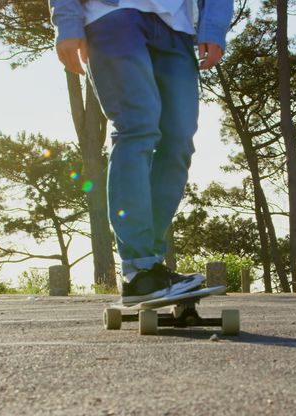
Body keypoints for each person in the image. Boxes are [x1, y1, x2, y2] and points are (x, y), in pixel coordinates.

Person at [50, 0, 234, 304]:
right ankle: (139, 269)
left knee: (178, 141)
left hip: (177, 26)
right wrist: (69, 22)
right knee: (137, 127)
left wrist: (213, 27)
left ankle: (150, 264)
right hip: (112, 16)